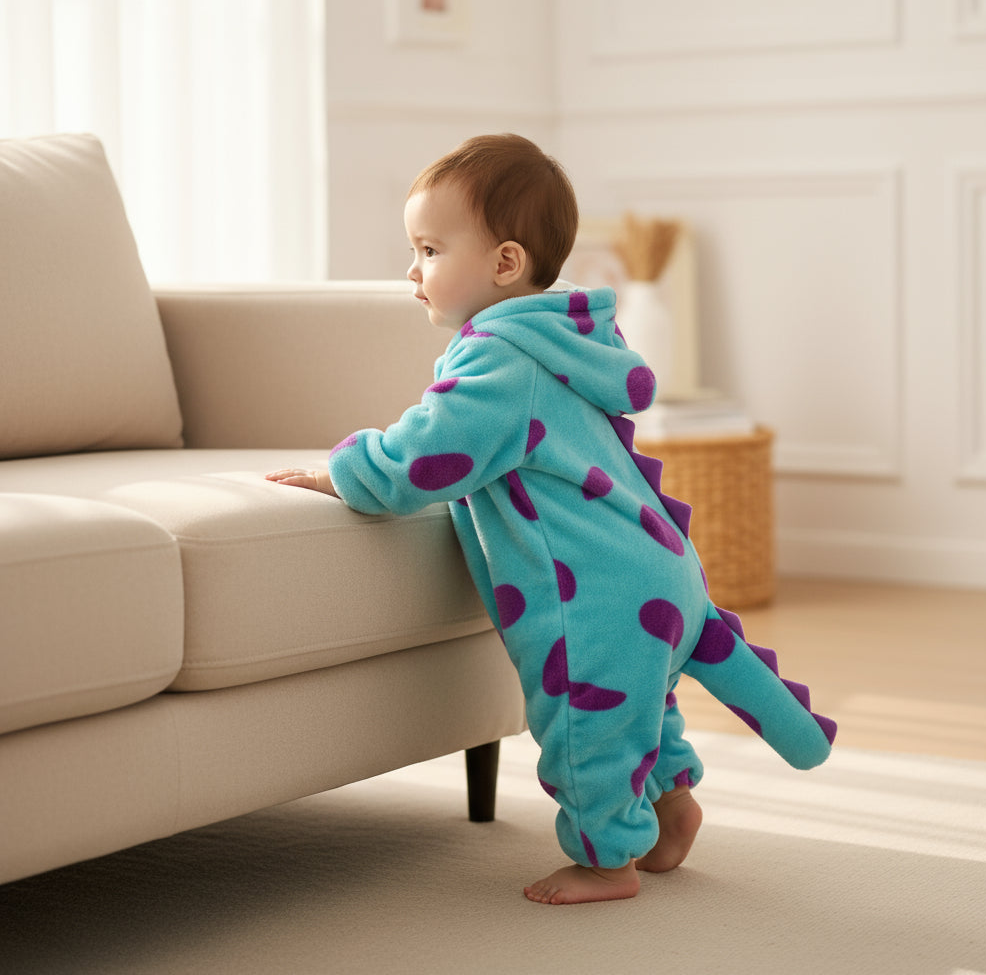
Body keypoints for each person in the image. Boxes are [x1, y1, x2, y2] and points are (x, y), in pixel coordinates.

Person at [266, 134, 836, 905]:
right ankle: (671, 812)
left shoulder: (498, 359)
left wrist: (344, 471)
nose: (412, 269)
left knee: (585, 719)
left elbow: (425, 458)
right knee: (641, 701)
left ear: (504, 264)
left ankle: (607, 860)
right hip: (657, 572)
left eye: (430, 249)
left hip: (595, 589)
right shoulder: (564, 341)